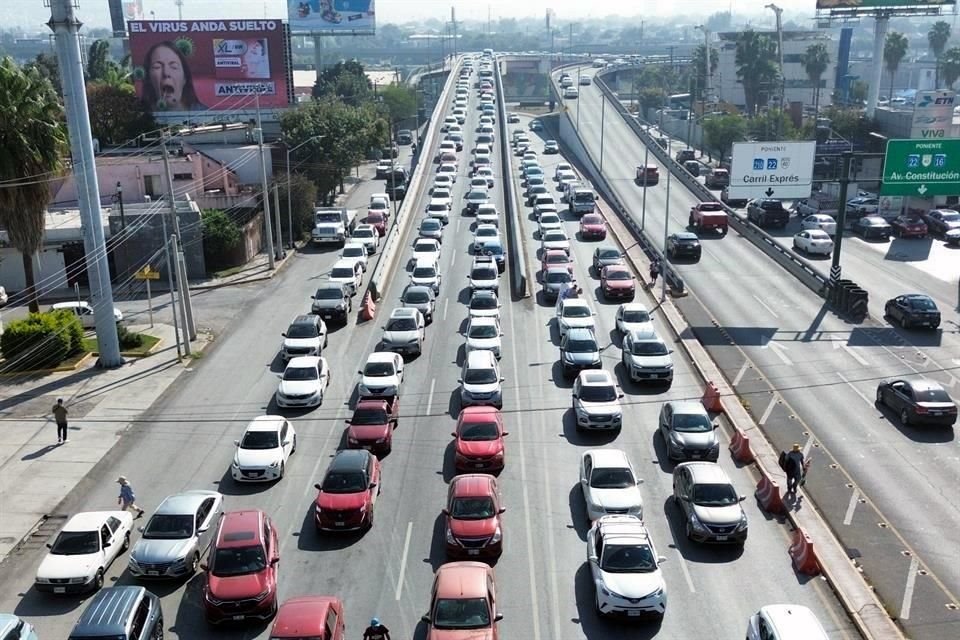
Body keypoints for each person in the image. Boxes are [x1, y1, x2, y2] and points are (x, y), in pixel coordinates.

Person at [141, 41, 207, 111]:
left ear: (185, 78)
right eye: (157, 66)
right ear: (149, 79)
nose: (166, 73)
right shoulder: (139, 115)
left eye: (174, 66)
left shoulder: (206, 115)